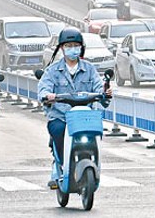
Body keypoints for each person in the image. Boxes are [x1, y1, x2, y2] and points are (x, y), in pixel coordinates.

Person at [38, 27, 112, 188]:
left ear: (81, 47)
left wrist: (105, 92)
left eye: (76, 45)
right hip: (60, 117)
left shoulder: (90, 69)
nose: (73, 49)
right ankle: (59, 166)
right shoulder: (52, 71)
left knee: (96, 133)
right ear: (62, 48)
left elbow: (100, 88)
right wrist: (47, 95)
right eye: (68, 45)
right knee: (58, 130)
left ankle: (94, 163)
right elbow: (43, 89)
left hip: (84, 118)